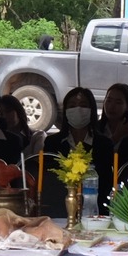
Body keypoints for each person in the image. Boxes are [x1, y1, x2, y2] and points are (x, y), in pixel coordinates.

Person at [34, 87, 96, 217]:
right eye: (72, 106)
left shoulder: (103, 143)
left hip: (93, 208)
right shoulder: (53, 142)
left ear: (92, 110)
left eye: (83, 105)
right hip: (57, 207)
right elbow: (49, 179)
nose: (78, 110)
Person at [96, 82, 128, 203]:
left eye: (118, 102)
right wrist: (116, 137)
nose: (111, 106)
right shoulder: (96, 129)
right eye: (109, 100)